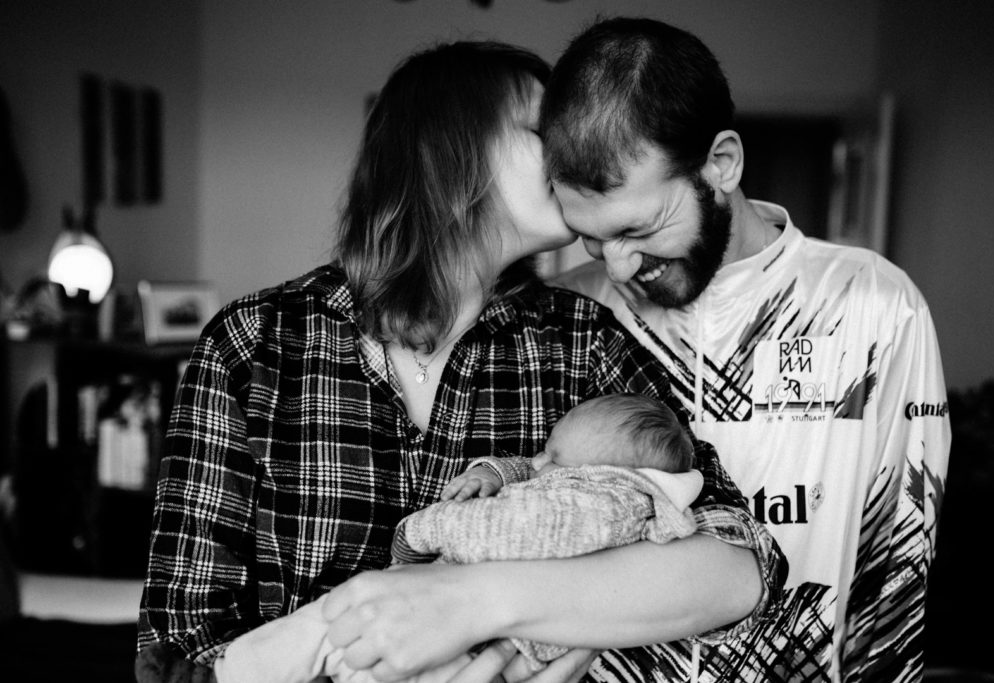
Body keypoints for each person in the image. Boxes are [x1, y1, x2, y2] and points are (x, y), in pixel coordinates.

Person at [135, 40, 786, 683]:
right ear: (453, 150)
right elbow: (179, 652)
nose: (575, 151)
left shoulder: (581, 339)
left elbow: (739, 562)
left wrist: (474, 601)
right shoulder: (253, 345)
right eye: (543, 131)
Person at [542, 16, 951, 682]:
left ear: (721, 163)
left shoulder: (875, 305)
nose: (615, 268)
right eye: (591, 240)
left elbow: (897, 572)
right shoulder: (568, 314)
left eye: (639, 229)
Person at [214, 393, 705, 683]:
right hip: (474, 644)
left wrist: (422, 530)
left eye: (554, 455)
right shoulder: (586, 484)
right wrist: (492, 472)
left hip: (468, 648)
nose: (538, 463)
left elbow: (503, 532)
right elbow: (527, 469)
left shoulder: (593, 507)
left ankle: (231, 673)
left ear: (598, 476)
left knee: (330, 621)